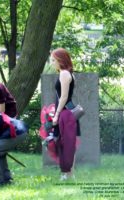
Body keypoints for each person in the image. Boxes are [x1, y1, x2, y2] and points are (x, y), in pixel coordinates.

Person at [50, 48, 80, 180]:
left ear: (60, 60)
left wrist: (56, 114)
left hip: (65, 113)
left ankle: (68, 174)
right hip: (67, 112)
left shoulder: (64, 74)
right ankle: (69, 173)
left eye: (53, 60)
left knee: (66, 143)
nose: (52, 63)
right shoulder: (68, 73)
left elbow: (63, 97)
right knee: (68, 143)